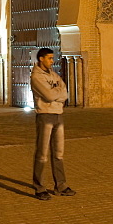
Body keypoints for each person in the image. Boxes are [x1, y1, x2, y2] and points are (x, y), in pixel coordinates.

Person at [30, 48, 75, 200]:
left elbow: (65, 93)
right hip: (45, 115)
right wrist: (57, 93)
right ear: (41, 59)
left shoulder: (53, 75)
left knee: (58, 153)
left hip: (58, 115)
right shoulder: (36, 77)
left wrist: (56, 94)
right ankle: (39, 187)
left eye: (52, 58)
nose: (52, 61)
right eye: (49, 58)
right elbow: (49, 95)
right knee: (42, 154)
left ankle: (61, 185)